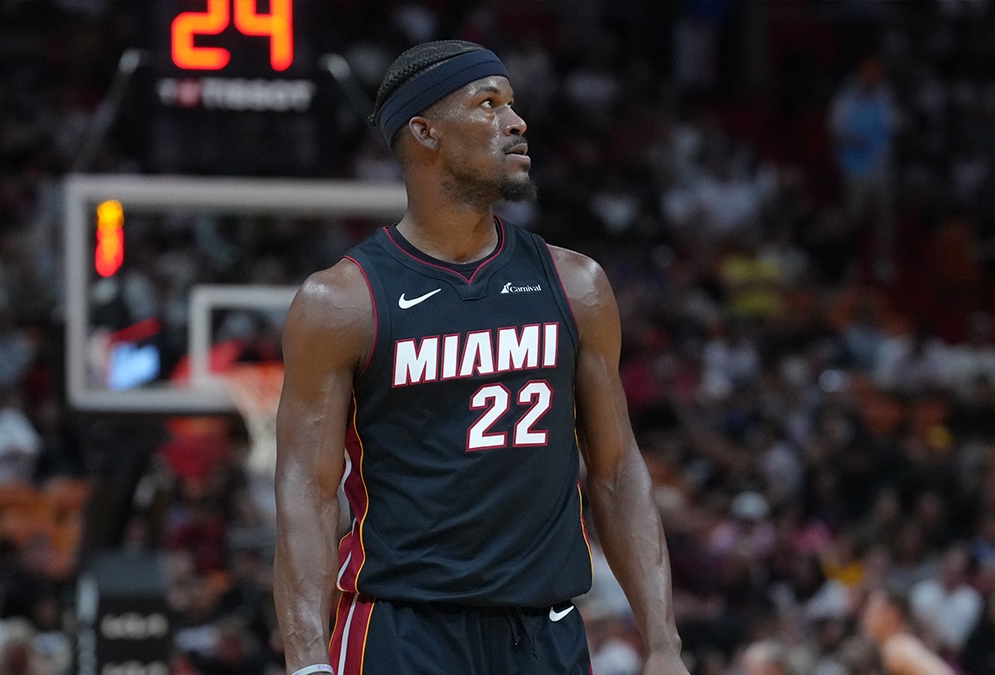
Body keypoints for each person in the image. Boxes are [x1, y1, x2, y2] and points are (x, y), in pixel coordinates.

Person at [273, 40, 686, 675]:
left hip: (544, 630)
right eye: (487, 104)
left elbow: (615, 470)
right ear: (424, 132)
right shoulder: (342, 302)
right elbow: (307, 490)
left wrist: (662, 644)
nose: (515, 122)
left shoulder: (576, 285)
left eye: (513, 104)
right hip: (402, 627)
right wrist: (306, 663)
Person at [861, 587, 953, 675]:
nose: (866, 615)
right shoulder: (894, 646)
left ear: (892, 614)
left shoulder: (898, 647)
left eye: (873, 609)